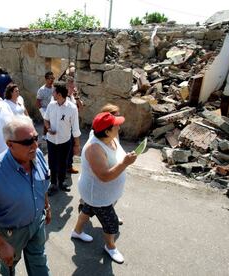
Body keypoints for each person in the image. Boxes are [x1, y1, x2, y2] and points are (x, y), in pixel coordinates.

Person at [0, 115, 51, 276]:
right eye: (28, 142)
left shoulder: (37, 155)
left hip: (37, 223)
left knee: (39, 261)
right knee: (8, 268)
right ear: (9, 144)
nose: (35, 145)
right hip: (11, 234)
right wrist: (1, 245)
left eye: (36, 138)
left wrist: (46, 206)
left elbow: (42, 181)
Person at [71, 112, 137, 264]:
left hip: (100, 194)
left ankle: (77, 232)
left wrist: (125, 159)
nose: (119, 127)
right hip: (98, 195)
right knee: (111, 223)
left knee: (87, 210)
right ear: (107, 131)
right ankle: (110, 247)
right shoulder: (94, 148)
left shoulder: (109, 138)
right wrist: (125, 163)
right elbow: (104, 176)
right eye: (116, 125)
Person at [44, 81, 81, 196]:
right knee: (52, 162)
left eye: (54, 91)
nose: (52, 93)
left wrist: (77, 145)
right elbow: (46, 119)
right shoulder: (51, 105)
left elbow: (75, 128)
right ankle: (53, 183)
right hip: (51, 140)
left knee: (63, 162)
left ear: (59, 94)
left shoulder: (72, 108)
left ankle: (62, 182)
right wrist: (48, 128)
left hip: (65, 141)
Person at [66, 76, 84, 174]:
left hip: (73, 126)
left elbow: (81, 108)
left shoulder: (73, 97)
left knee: (72, 147)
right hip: (66, 127)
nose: (73, 88)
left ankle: (69, 166)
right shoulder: (63, 98)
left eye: (74, 86)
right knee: (66, 148)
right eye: (71, 87)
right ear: (67, 86)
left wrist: (77, 98)